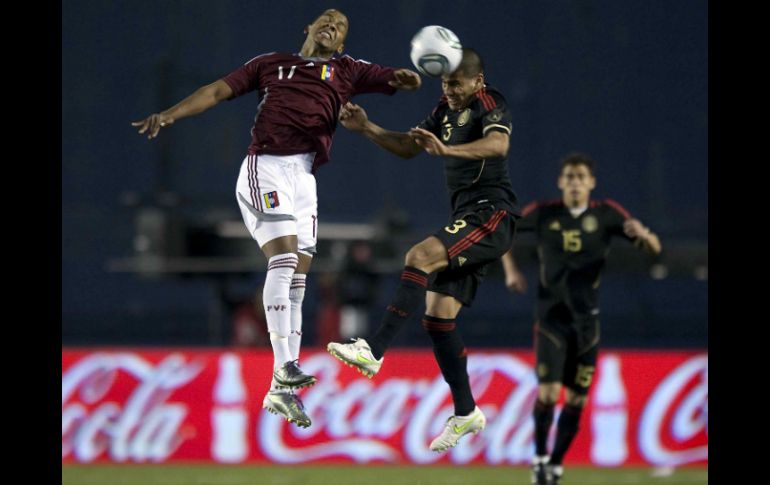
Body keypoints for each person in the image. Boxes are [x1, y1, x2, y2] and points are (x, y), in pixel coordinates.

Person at [132, 9, 422, 429]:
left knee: (300, 279)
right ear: (308, 28)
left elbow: (398, 79)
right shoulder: (271, 64)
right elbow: (216, 91)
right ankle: (286, 366)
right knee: (284, 259)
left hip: (303, 178)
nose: (332, 25)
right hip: (265, 166)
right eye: (326, 18)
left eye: (340, 26)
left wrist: (410, 76)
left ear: (342, 43)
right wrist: (171, 115)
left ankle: (280, 389)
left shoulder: (347, 69)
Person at [327, 48, 518, 452]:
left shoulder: (490, 102)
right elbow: (410, 146)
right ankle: (467, 413)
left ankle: (374, 350)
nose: (449, 90)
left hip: (491, 214)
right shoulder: (443, 108)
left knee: (418, 256)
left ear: (477, 82)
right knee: (437, 319)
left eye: (457, 83)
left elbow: (497, 146)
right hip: (468, 213)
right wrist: (367, 128)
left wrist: (449, 151)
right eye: (445, 82)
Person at [500, 153, 662, 484]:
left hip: (587, 322)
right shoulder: (545, 214)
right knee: (547, 394)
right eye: (569, 177)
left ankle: (556, 464)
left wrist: (644, 236)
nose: (575, 182)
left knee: (577, 399)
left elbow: (654, 250)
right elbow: (503, 232)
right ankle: (540, 457)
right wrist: (512, 271)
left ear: (591, 183)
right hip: (551, 318)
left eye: (580, 177)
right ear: (561, 182)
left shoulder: (607, 214)